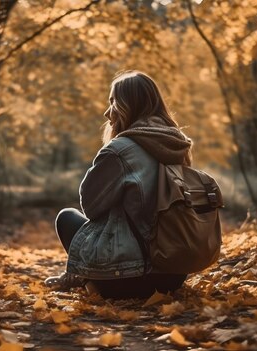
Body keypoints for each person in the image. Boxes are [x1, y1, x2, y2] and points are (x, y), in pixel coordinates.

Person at [44, 70, 192, 299]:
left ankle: (86, 278)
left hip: (132, 278)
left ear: (127, 105)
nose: (107, 112)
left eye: (112, 102)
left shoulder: (120, 150)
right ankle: (81, 276)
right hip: (175, 274)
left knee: (67, 217)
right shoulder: (177, 143)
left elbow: (91, 207)